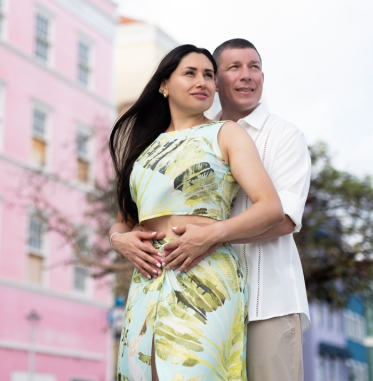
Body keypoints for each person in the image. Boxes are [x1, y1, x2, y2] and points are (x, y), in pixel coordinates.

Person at [108, 44, 284, 380]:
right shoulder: (142, 148)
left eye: (208, 75)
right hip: (148, 280)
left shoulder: (225, 133)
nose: (202, 81)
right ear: (164, 84)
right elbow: (123, 222)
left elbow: (270, 207)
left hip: (205, 278)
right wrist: (120, 241)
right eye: (190, 73)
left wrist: (211, 235)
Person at [159, 38, 312, 381]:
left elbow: (285, 218)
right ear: (216, 81)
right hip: (204, 302)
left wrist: (210, 237)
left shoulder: (285, 135)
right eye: (234, 68)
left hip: (267, 304)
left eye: (254, 67)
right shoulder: (195, 137)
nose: (247, 76)